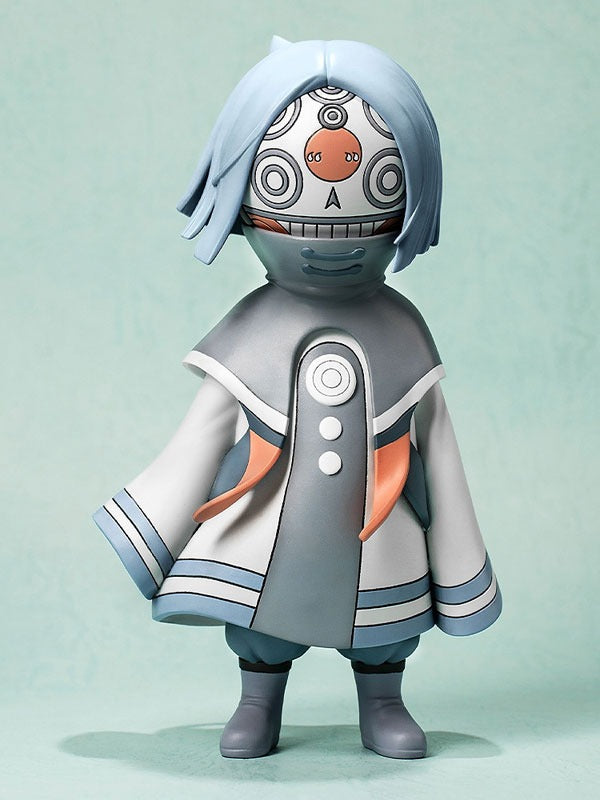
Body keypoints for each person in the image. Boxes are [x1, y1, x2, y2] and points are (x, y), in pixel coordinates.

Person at [94, 37, 501, 760]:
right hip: (265, 514)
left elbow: (438, 442)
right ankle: (258, 702)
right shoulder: (253, 327)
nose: (332, 221)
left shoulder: (402, 329)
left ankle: (383, 701)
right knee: (260, 623)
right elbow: (204, 433)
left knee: (383, 631)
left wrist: (458, 556)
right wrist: (155, 520)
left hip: (381, 522)